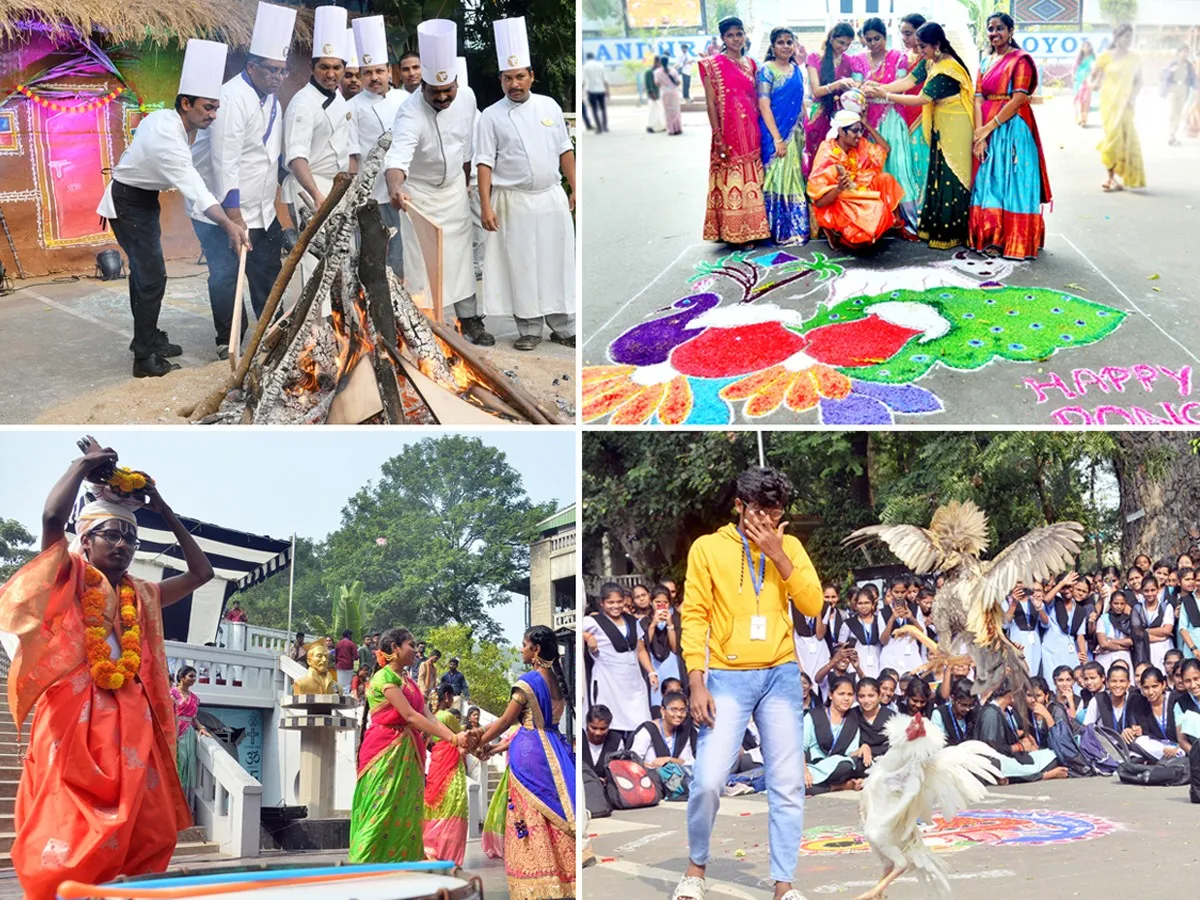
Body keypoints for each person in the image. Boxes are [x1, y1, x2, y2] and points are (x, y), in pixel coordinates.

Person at [0, 437, 215, 898]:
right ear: (86, 540)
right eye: (111, 534)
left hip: (132, 715)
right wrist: (83, 465)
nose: (122, 544)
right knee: (69, 824)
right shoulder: (70, 577)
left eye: (131, 537)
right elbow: (51, 519)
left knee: (151, 827)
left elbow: (202, 574)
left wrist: (163, 509)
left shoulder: (144, 594)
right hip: (73, 716)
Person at [674, 466, 823, 900]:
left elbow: (812, 605)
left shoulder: (789, 545)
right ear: (739, 506)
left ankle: (784, 885)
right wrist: (696, 680)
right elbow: (695, 615)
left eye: (775, 514)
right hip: (726, 676)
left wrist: (778, 554)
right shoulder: (707, 549)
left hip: (780, 673)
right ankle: (695, 868)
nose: (767, 522)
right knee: (707, 780)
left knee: (787, 783)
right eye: (759, 511)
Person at [96, 39, 250, 378]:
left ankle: (149, 338)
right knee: (152, 277)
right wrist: (228, 224)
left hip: (141, 198)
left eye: (216, 108)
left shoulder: (173, 120)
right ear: (185, 102)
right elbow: (194, 188)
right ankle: (144, 359)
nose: (213, 115)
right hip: (128, 202)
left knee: (145, 274)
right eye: (208, 108)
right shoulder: (168, 136)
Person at [190, 3, 294, 361]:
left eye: (283, 70)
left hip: (262, 207)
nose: (280, 77)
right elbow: (224, 161)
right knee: (226, 275)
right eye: (272, 70)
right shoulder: (231, 97)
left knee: (268, 271)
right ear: (252, 67)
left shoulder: (271, 99)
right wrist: (234, 216)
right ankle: (228, 337)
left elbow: (268, 155)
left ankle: (272, 332)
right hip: (223, 208)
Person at [385, 20, 492, 347]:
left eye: (449, 90)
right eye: (436, 92)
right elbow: (397, 158)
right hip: (419, 197)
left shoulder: (468, 97)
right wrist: (395, 188)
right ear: (423, 88)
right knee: (423, 268)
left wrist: (464, 180)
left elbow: (466, 145)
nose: (443, 97)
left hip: (454, 191)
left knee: (461, 259)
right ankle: (427, 327)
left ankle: (470, 320)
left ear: (458, 83)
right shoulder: (409, 113)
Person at [476, 17, 576, 351]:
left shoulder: (548, 106)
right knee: (521, 264)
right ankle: (529, 328)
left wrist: (575, 187)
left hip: (550, 197)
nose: (515, 83)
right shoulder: (490, 115)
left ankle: (563, 326)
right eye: (508, 78)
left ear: (531, 76)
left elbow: (565, 149)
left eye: (520, 76)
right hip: (512, 200)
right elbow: (484, 162)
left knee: (555, 260)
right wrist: (486, 205)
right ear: (501, 80)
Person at [348, 628, 475, 862]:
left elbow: (430, 716)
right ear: (394, 649)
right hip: (385, 751)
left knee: (407, 809)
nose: (415, 650)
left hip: (409, 752)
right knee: (382, 807)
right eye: (410, 644)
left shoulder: (409, 682)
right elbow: (410, 716)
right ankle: (364, 866)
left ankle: (402, 865)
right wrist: (453, 739)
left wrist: (455, 739)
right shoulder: (384, 678)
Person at [475, 626, 576, 900]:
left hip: (529, 756)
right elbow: (535, 726)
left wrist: (476, 740)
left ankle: (536, 882)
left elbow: (508, 721)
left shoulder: (528, 681)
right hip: (555, 749)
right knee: (557, 812)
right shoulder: (555, 680)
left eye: (524, 644)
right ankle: (562, 877)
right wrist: (495, 747)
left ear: (536, 649)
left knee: (529, 814)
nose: (521, 649)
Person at [865, 22, 975, 250]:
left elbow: (921, 99)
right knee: (938, 173)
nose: (919, 51)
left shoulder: (948, 68)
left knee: (952, 174)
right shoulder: (930, 61)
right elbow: (908, 82)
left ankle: (953, 233)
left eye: (923, 46)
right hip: (940, 123)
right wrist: (880, 87)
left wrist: (884, 94)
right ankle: (935, 228)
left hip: (956, 126)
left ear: (937, 44)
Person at [968, 13, 1052, 260]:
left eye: (1000, 28)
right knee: (989, 181)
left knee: (1013, 183)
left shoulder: (1020, 60)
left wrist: (989, 127)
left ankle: (1015, 240)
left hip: (1013, 130)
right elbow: (978, 98)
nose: (994, 33)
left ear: (1011, 31)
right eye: (991, 29)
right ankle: (991, 237)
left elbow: (1018, 99)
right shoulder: (985, 61)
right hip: (989, 130)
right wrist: (980, 135)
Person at [282, 4, 350, 258]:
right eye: (324, 67)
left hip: (334, 188)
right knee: (313, 262)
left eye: (336, 67)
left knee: (337, 262)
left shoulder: (338, 98)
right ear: (312, 68)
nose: (330, 74)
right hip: (310, 189)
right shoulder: (303, 103)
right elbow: (297, 157)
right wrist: (316, 194)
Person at [699, 17, 770, 247]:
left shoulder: (751, 63)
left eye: (739, 34)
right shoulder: (711, 65)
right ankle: (734, 232)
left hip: (751, 128)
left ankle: (754, 229)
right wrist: (717, 133)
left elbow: (758, 98)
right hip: (728, 130)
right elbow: (710, 103)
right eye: (730, 35)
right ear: (723, 39)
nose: (736, 39)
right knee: (734, 177)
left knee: (752, 177)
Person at [348, 16, 409, 281]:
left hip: (408, 191)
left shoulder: (406, 100)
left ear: (389, 71)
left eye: (379, 71)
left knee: (410, 258)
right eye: (367, 72)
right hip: (374, 196)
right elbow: (352, 154)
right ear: (361, 75)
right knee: (380, 259)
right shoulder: (352, 108)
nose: (374, 78)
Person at [860, 18, 921, 237]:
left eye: (877, 38)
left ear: (885, 37)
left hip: (893, 118)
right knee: (874, 171)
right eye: (868, 39)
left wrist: (877, 90)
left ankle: (911, 223)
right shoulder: (859, 60)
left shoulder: (898, 58)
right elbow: (859, 89)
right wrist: (864, 91)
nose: (873, 43)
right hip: (867, 123)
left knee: (899, 167)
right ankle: (881, 222)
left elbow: (902, 89)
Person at [757, 27, 810, 247]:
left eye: (790, 42)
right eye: (781, 42)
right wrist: (778, 138)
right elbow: (764, 105)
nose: (786, 46)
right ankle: (778, 230)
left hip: (795, 132)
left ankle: (796, 227)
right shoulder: (766, 70)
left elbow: (799, 102)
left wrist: (805, 126)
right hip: (775, 133)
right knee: (777, 177)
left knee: (794, 175)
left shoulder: (796, 69)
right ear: (772, 46)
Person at [582, 582, 654, 741]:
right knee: (610, 720)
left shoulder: (632, 621)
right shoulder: (593, 621)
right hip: (608, 680)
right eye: (611, 602)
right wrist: (588, 637)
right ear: (602, 603)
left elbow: (640, 649)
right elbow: (576, 631)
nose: (615, 606)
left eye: (619, 602)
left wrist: (651, 672)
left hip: (633, 680)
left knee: (640, 721)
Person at [975, 678, 1068, 782]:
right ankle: (1044, 775)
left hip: (1012, 757)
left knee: (1051, 756)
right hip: (997, 762)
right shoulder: (991, 713)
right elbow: (991, 749)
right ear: (1010, 694)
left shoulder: (1007, 711)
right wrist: (1019, 747)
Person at [1090, 24, 1144, 191]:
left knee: (1126, 140)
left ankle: (1117, 176)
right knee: (1113, 139)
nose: (1128, 40)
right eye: (1125, 36)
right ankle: (1109, 177)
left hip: (1127, 104)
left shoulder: (1135, 58)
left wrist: (1133, 97)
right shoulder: (1105, 57)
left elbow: (1139, 81)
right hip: (1109, 104)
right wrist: (1095, 85)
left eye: (1130, 37)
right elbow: (1093, 78)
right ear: (1117, 37)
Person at [805, 23, 868, 165]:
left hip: (841, 115)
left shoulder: (849, 61)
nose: (844, 48)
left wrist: (852, 87)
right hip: (820, 112)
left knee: (839, 155)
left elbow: (856, 86)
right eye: (841, 42)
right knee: (818, 155)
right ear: (831, 38)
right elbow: (816, 91)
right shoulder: (815, 58)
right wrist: (837, 84)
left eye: (848, 44)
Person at [424, 685, 470, 865]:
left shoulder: (431, 718)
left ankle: (431, 847)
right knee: (455, 805)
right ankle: (448, 853)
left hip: (437, 764)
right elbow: (463, 738)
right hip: (451, 765)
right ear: (447, 696)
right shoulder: (447, 716)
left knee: (436, 805)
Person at [802, 676, 866, 794]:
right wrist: (804, 771)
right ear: (831, 695)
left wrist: (863, 748)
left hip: (838, 768)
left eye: (850, 694)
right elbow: (800, 748)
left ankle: (822, 786)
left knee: (849, 765)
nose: (846, 698)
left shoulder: (852, 720)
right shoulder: (813, 716)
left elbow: (850, 753)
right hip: (814, 767)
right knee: (799, 786)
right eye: (841, 694)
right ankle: (841, 786)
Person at [630, 691, 696, 769]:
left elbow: (689, 763)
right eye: (673, 710)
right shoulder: (648, 730)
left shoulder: (683, 732)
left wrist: (669, 760)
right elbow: (633, 760)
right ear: (662, 710)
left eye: (682, 710)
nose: (679, 714)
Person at [171, 666, 210, 798]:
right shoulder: (171, 693)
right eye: (191, 676)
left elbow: (194, 718)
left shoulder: (194, 698)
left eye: (195, 676)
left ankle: (186, 800)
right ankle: (174, 797)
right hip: (174, 729)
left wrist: (201, 728)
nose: (194, 679)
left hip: (188, 731)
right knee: (178, 761)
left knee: (189, 762)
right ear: (182, 677)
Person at [1006, 582, 1048, 678]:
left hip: (1035, 643)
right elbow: (1005, 623)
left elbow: (1046, 623)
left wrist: (1039, 608)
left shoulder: (1034, 600)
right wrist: (1014, 604)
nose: (1020, 585)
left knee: (1034, 672)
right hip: (1017, 641)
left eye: (1022, 582)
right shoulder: (1007, 600)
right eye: (1018, 582)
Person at [1163, 45, 1196, 146]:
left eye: (1187, 52)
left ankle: (1173, 135)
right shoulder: (1172, 63)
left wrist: (1196, 87)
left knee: (1178, 113)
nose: (1185, 54)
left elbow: (1192, 77)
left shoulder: (1188, 65)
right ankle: (1170, 135)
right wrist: (1170, 71)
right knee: (1172, 113)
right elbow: (1163, 75)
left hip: (1183, 89)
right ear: (1178, 53)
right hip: (1173, 89)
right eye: (1183, 52)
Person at [656, 56, 684, 136]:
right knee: (676, 110)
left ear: (661, 62)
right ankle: (678, 129)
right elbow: (678, 82)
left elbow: (657, 83)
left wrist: (665, 85)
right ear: (668, 62)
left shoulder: (658, 72)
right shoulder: (673, 71)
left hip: (665, 93)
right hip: (674, 92)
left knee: (668, 111)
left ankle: (671, 129)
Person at [582, 52, 609, 133]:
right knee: (603, 108)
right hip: (601, 90)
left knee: (594, 109)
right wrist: (608, 91)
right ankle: (605, 127)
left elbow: (583, 81)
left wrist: (581, 91)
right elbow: (605, 79)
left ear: (587, 58)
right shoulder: (600, 65)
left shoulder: (585, 66)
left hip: (591, 90)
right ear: (594, 57)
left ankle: (599, 128)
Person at [1074, 40, 1097, 126]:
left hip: (1088, 82)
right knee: (1079, 101)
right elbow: (1074, 69)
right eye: (1084, 46)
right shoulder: (1079, 58)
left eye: (1088, 46)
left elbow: (1095, 69)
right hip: (1079, 82)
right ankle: (1079, 119)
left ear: (1090, 47)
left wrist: (1091, 78)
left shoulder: (1093, 58)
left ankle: (1084, 120)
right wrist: (1075, 77)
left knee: (1086, 101)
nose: (1086, 48)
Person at [645, 62, 665, 134]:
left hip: (658, 94)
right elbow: (648, 84)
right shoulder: (649, 73)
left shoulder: (657, 72)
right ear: (657, 63)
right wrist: (651, 93)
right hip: (653, 95)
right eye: (660, 64)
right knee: (653, 111)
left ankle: (660, 126)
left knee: (659, 110)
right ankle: (650, 126)